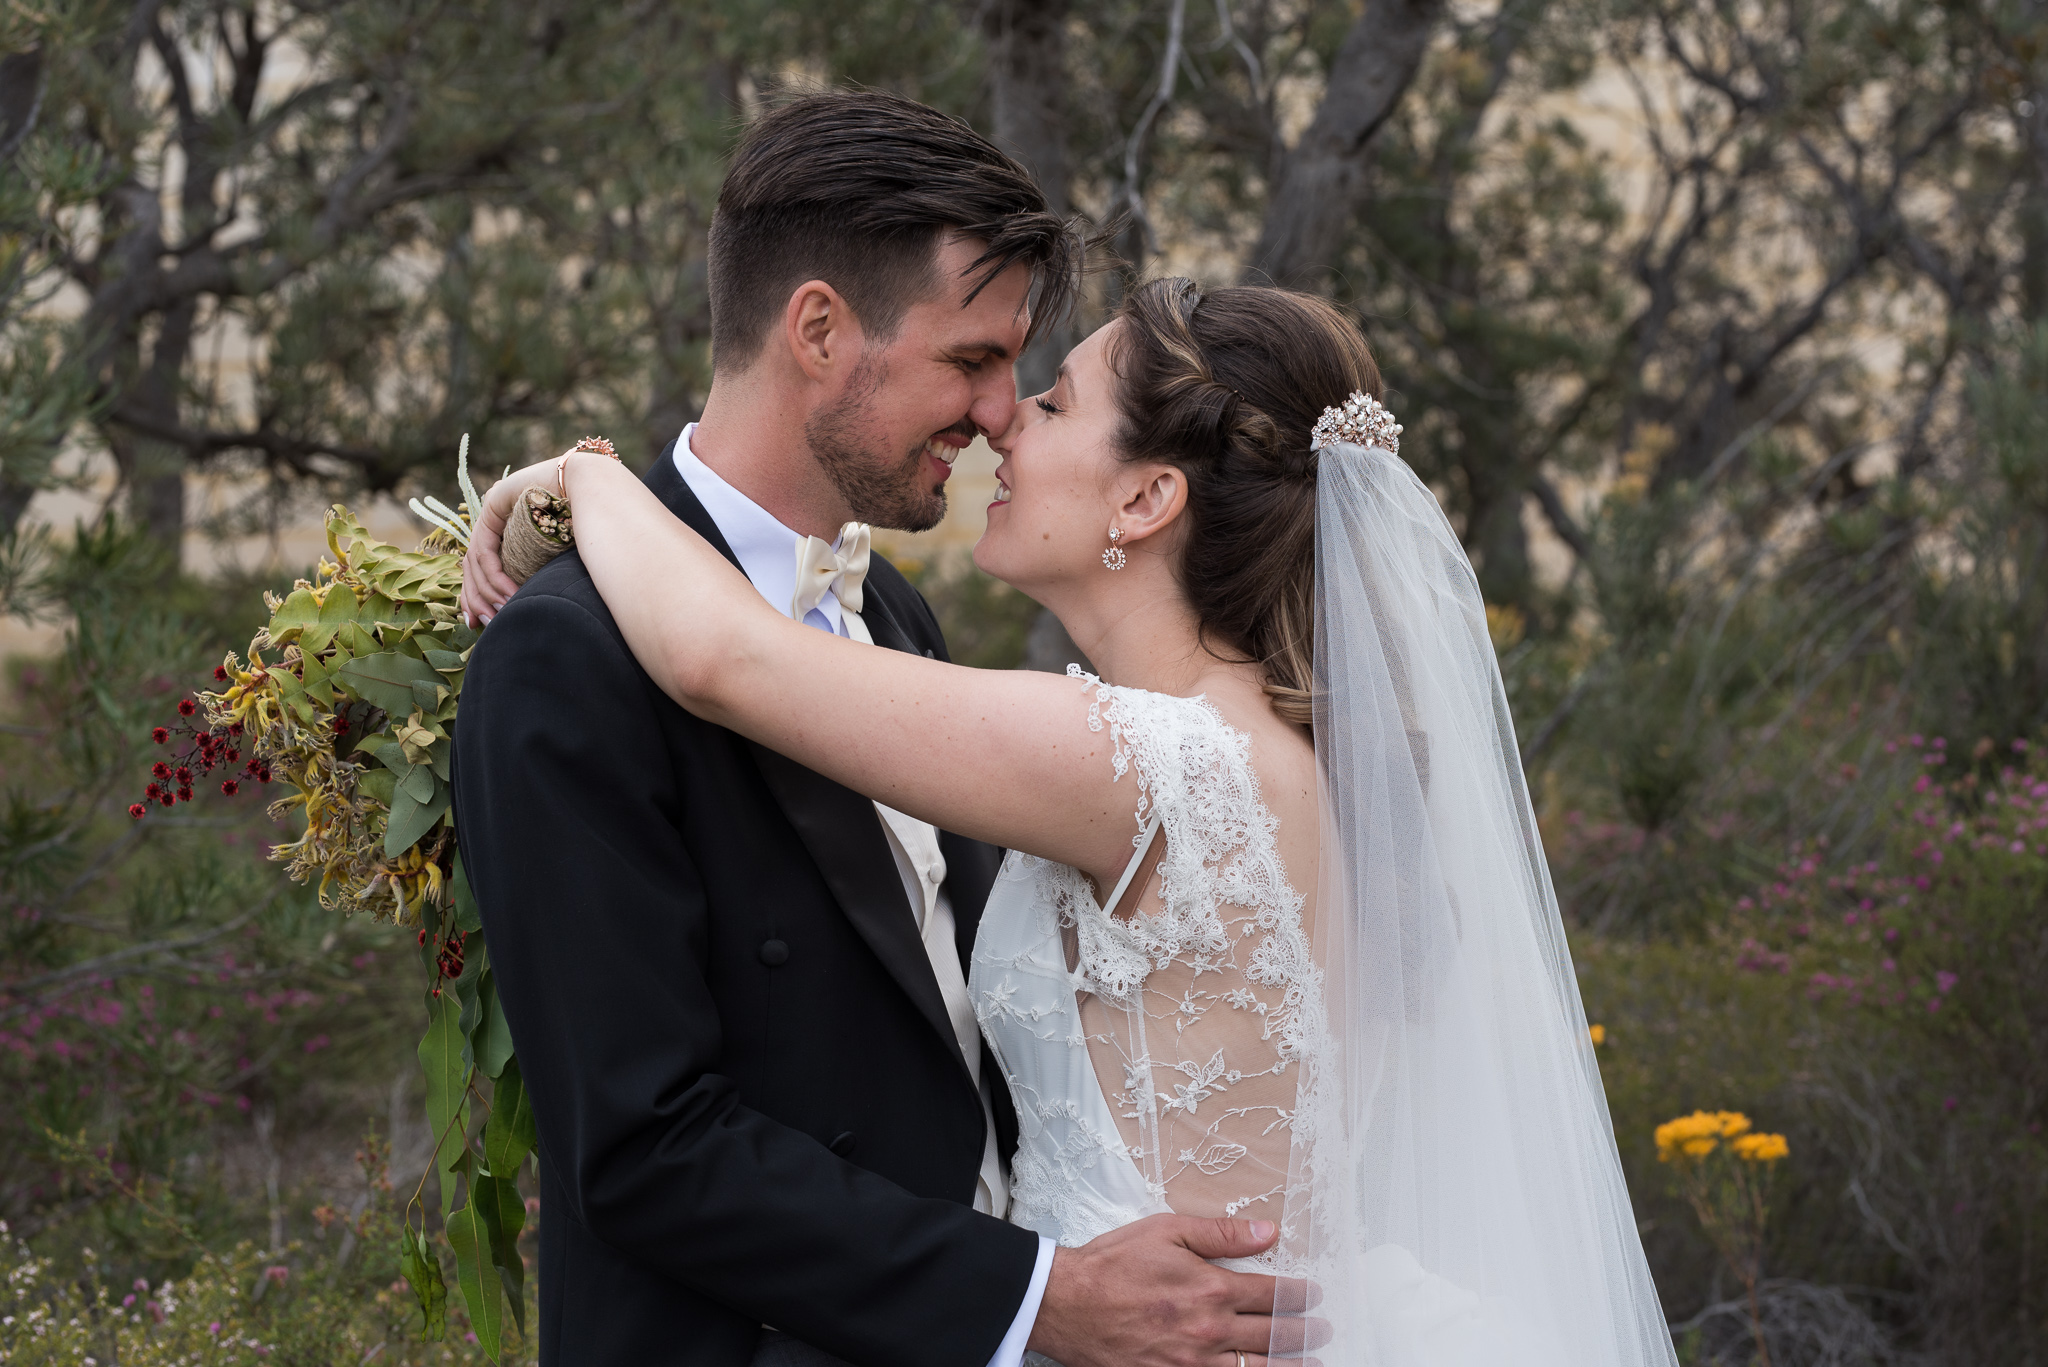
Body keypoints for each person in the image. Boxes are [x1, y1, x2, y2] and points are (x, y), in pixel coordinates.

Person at [463, 266, 1682, 1367]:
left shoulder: (1148, 763)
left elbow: (719, 658)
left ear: (1146, 497)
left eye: (1048, 404)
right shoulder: (1265, 750)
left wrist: (588, 477)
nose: (1001, 421)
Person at [450, 92, 1301, 1367]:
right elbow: (642, 1143)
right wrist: (1031, 1295)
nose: (1001, 412)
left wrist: (583, 475)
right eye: (970, 360)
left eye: (1023, 374)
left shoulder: (889, 612)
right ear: (817, 330)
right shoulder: (566, 654)